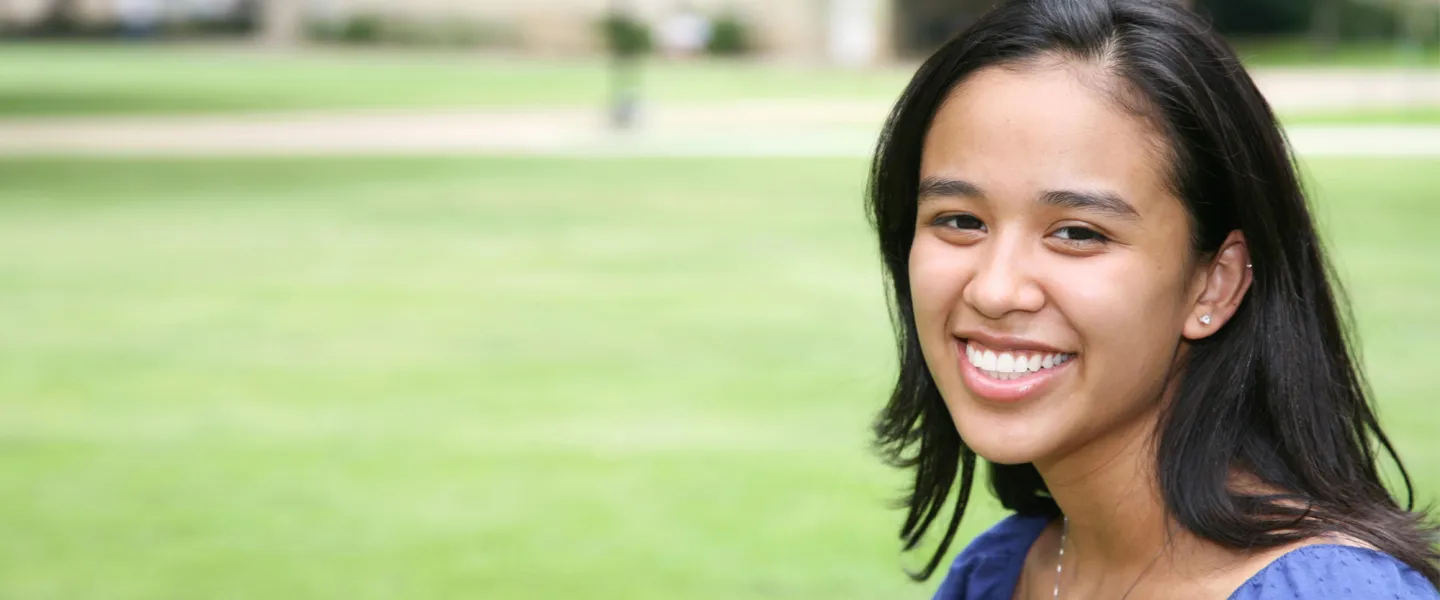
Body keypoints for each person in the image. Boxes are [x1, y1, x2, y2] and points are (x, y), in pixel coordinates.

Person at [866, 0, 1440, 598]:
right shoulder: (1001, 573)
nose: (994, 288)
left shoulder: (1330, 590)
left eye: (1077, 233)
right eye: (959, 220)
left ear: (1215, 282)